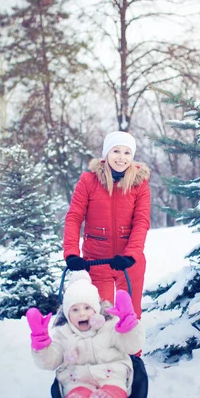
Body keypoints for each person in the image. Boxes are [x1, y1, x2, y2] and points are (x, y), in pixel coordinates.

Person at [26, 271, 145, 398]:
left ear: (96, 309)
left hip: (111, 377)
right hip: (77, 380)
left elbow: (130, 346)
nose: (82, 314)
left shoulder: (110, 325)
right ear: (67, 313)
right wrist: (41, 344)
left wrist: (129, 327)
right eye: (75, 309)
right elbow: (50, 361)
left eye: (87, 308)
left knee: (111, 395)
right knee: (77, 397)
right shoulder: (63, 334)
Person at [63, 131, 151, 318]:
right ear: (106, 154)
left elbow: (141, 222)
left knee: (130, 318)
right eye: (116, 151)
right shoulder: (88, 181)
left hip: (128, 263)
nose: (121, 157)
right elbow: (74, 217)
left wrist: (131, 254)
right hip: (96, 262)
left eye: (127, 152)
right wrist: (71, 253)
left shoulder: (139, 183)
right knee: (100, 317)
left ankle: (132, 349)